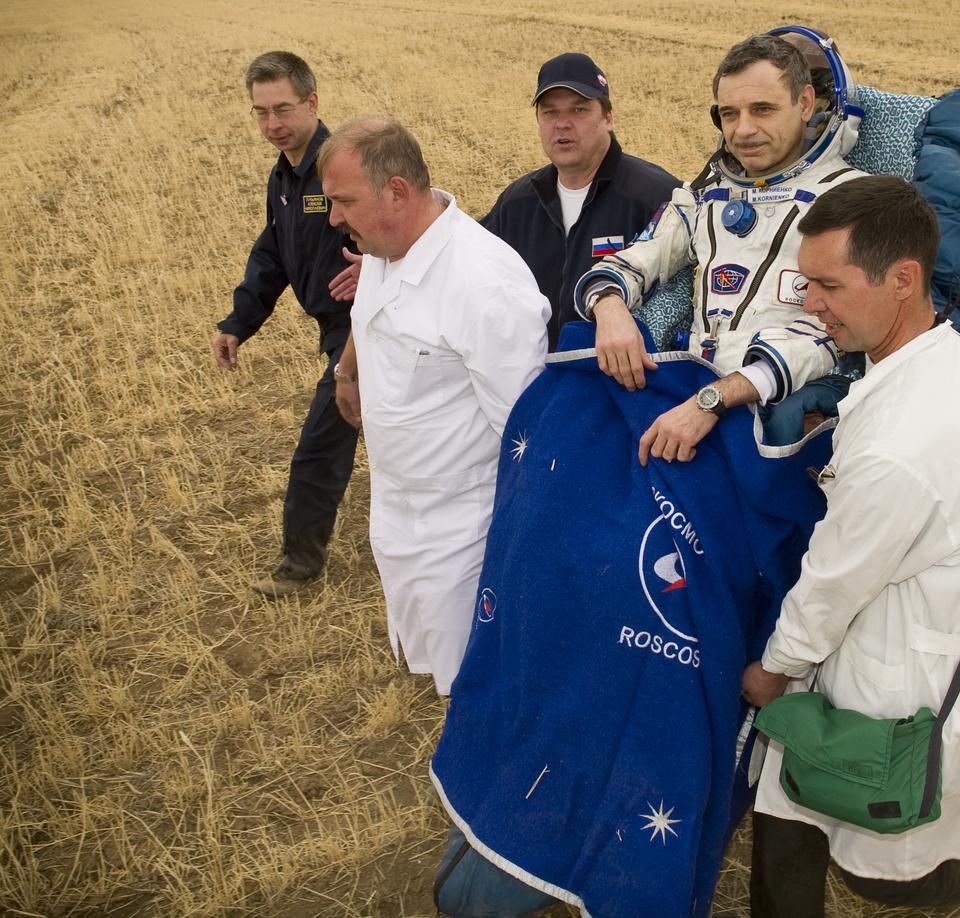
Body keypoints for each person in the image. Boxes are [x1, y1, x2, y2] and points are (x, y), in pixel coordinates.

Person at [742, 176, 960, 914]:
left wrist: (773, 668)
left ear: (903, 280)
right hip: (921, 639)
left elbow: (833, 583)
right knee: (792, 817)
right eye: (805, 281)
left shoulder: (902, 443)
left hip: (891, 678)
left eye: (828, 284)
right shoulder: (951, 359)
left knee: (889, 856)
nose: (809, 302)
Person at [319, 117, 549, 696]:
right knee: (431, 662)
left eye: (343, 201)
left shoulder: (484, 285)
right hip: (397, 509)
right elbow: (368, 318)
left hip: (461, 534)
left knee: (476, 682)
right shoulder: (382, 244)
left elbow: (526, 431)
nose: (332, 219)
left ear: (396, 190)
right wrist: (347, 372)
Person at [574, 29, 870, 464]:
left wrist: (715, 398)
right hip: (691, 395)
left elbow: (833, 336)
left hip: (768, 407)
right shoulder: (707, 191)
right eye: (728, 114)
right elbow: (640, 256)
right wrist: (609, 307)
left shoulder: (853, 200)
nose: (743, 130)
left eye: (762, 109)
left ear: (806, 103)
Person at [212, 51, 363, 597]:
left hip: (365, 329)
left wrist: (378, 272)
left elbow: (401, 234)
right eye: (260, 112)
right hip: (336, 331)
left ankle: (298, 569)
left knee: (320, 446)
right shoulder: (284, 176)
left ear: (313, 103)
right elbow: (272, 253)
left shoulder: (342, 165)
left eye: (282, 109)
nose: (272, 124)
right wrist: (238, 323)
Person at [481, 52, 680, 351]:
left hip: (622, 383)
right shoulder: (517, 203)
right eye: (550, 113)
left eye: (578, 110)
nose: (562, 124)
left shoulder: (655, 197)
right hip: (534, 375)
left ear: (608, 118)